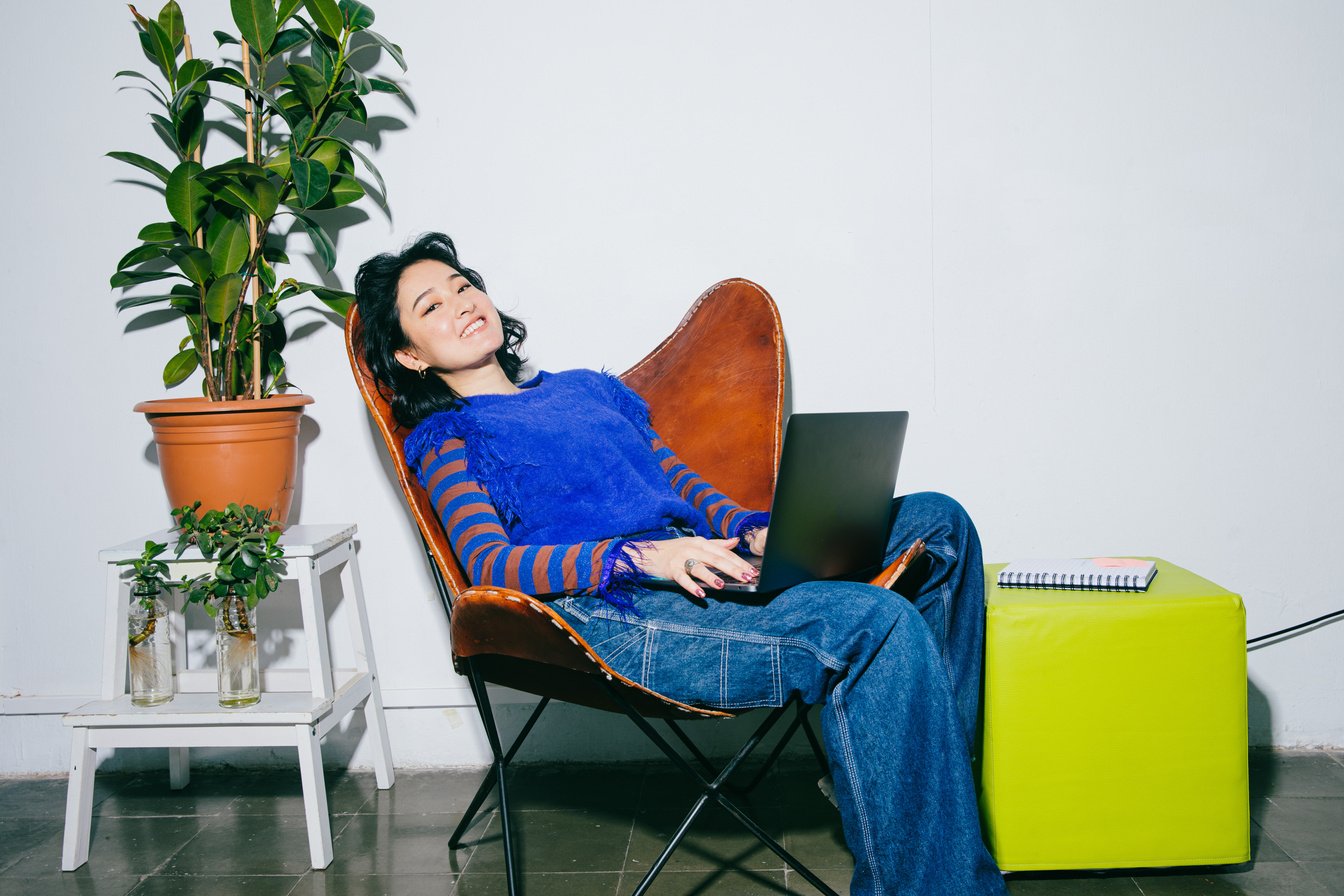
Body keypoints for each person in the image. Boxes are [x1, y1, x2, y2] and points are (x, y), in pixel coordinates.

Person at [355, 232, 1007, 896]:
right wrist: (643, 555)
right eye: (430, 307)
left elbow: (682, 485)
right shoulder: (449, 436)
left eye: (463, 287)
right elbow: (494, 566)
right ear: (410, 354)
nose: (460, 304)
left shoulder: (588, 391)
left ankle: (903, 785)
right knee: (877, 620)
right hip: (619, 616)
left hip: (701, 568)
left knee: (940, 520)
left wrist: (755, 534)